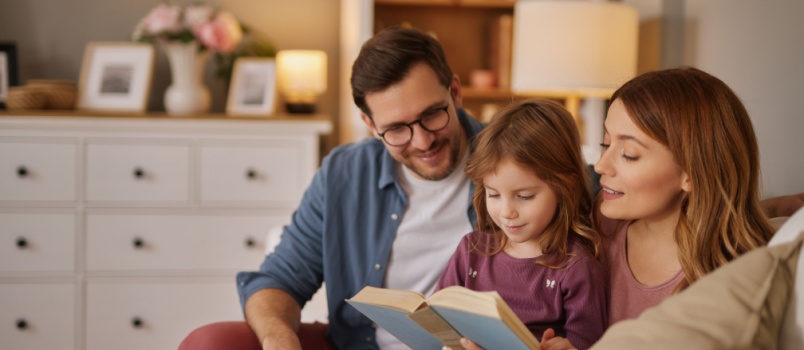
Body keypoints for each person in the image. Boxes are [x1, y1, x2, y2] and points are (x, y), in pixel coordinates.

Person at [180, 26, 485, 350]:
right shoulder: (345, 173)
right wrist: (278, 337)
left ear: (455, 92)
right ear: (370, 124)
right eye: (396, 129)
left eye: (432, 115)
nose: (423, 141)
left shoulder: (518, 161)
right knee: (208, 342)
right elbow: (280, 279)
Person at [457, 67, 779, 350]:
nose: (600, 166)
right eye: (605, 144)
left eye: (629, 154)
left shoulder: (733, 281)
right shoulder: (597, 225)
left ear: (692, 173)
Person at [435, 99, 607, 348]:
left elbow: (588, 344)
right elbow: (438, 323)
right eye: (493, 194)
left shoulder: (575, 266)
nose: (506, 212)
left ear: (565, 185)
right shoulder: (470, 251)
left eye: (524, 196)